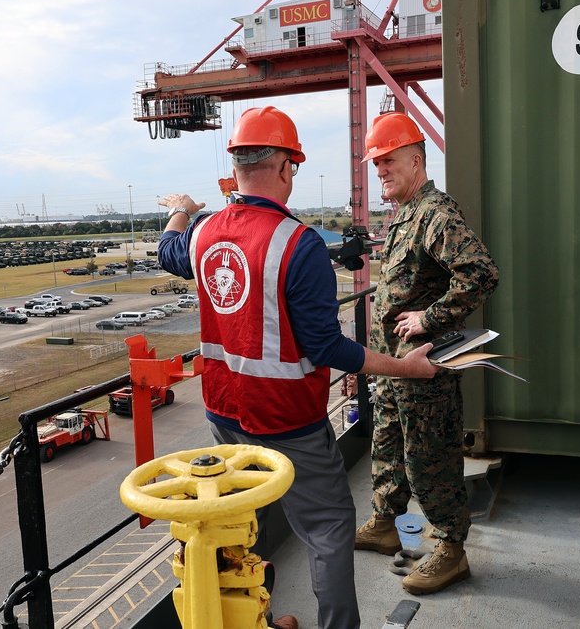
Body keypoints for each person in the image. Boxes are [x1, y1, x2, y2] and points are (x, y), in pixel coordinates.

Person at [157, 106, 439, 629]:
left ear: (236, 166)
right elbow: (328, 348)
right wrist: (408, 369)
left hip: (224, 412)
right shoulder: (297, 242)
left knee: (240, 524)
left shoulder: (202, 233)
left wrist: (182, 207)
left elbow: (167, 248)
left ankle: (255, 621)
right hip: (288, 419)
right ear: (286, 167)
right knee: (329, 529)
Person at [354, 112, 499, 595]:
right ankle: (384, 522)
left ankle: (451, 549)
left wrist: (430, 319)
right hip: (394, 367)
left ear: (416, 161)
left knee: (428, 459)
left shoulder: (435, 212)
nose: (381, 173)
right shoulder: (407, 214)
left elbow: (480, 273)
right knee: (389, 444)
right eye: (376, 166)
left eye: (388, 162)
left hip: (422, 370)